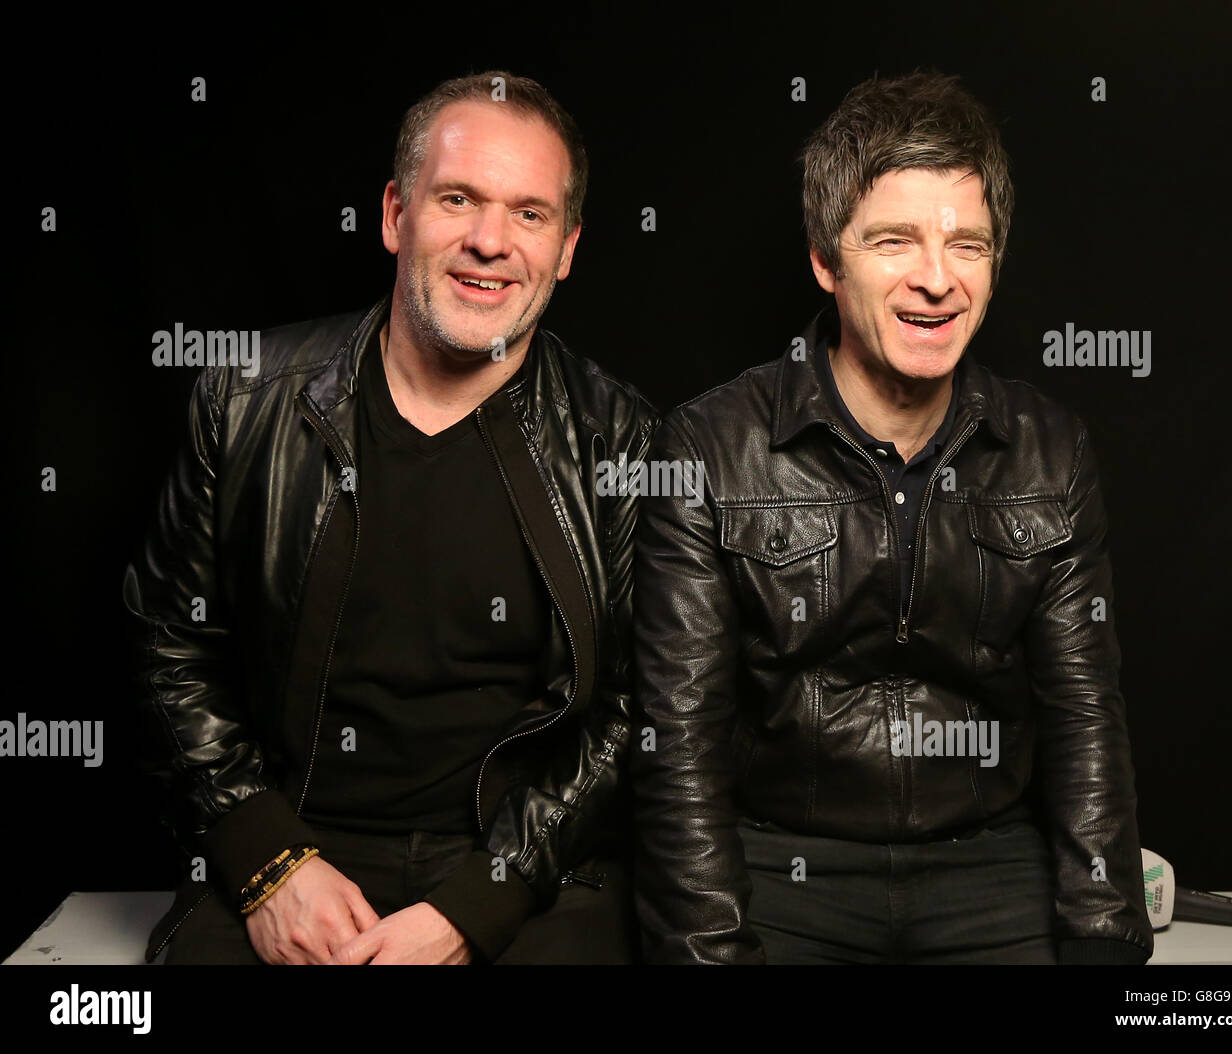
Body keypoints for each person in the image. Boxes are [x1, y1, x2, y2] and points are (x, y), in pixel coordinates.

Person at [123, 70, 658, 965]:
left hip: (523, 861)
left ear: (566, 248)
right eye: (458, 199)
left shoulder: (622, 440)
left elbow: (637, 707)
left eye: (529, 214)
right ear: (394, 215)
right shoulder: (245, 398)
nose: (491, 241)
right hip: (289, 835)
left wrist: (483, 901)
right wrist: (265, 858)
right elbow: (166, 642)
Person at [631, 71, 1155, 964]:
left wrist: (1105, 948)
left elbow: (1083, 720)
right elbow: (676, 743)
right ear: (825, 260)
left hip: (990, 868)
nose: (937, 280)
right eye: (895, 241)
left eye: (968, 244)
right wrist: (707, 953)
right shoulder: (708, 446)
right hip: (780, 867)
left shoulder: (1050, 450)